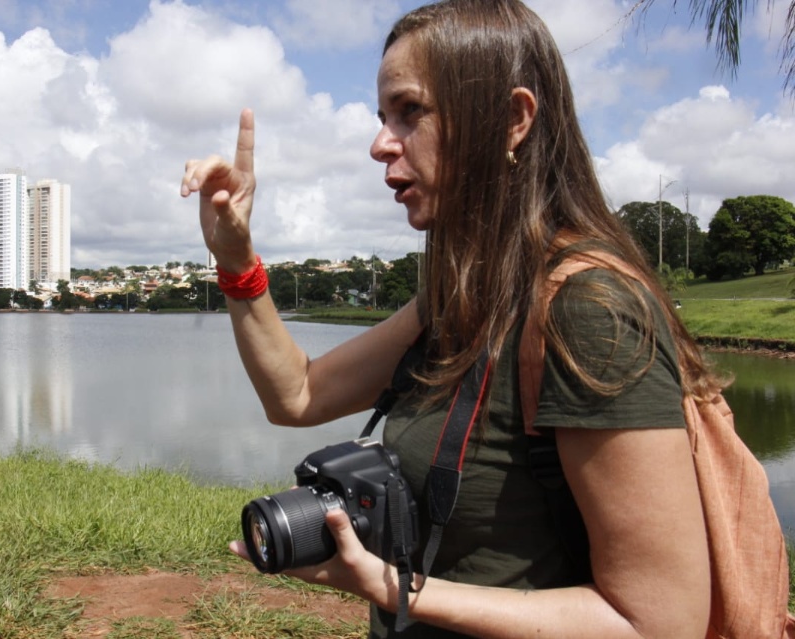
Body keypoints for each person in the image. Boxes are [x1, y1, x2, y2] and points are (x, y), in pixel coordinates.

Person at [180, 0, 717, 636]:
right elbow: (297, 394)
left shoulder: (587, 311)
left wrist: (394, 588)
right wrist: (236, 259)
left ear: (512, 119)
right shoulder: (463, 292)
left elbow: (657, 623)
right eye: (383, 116)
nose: (380, 143)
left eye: (411, 112)